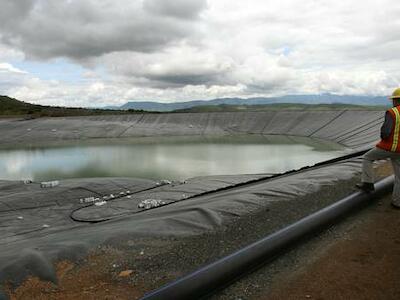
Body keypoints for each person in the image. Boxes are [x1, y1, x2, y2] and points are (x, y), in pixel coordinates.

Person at [356, 87, 400, 209]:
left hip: (389, 147)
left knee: (367, 157)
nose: (392, 102)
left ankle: (368, 184)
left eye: (393, 100)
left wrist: (384, 137)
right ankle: (397, 203)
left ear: (396, 101)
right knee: (399, 177)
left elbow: (385, 132)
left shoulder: (393, 112)